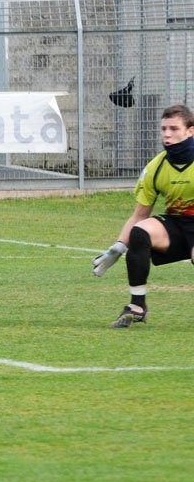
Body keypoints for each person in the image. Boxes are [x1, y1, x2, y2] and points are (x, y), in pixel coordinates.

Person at [93, 103, 194, 328]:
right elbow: (139, 214)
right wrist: (118, 247)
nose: (167, 134)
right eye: (164, 128)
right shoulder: (156, 167)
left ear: (190, 131)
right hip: (177, 224)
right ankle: (137, 306)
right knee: (140, 232)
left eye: (174, 129)